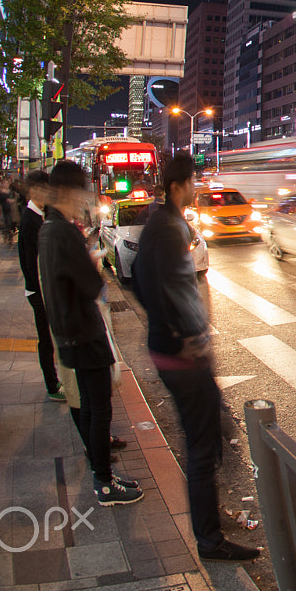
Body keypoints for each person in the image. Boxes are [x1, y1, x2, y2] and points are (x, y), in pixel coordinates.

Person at [133, 154, 261, 561]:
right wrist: (186, 336)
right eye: (191, 181)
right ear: (176, 186)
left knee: (208, 440)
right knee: (203, 446)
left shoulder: (164, 224)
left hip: (175, 350)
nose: (196, 187)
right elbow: (170, 289)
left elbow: (140, 279)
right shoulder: (169, 229)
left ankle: (211, 517)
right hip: (182, 357)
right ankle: (209, 539)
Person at [37, 160, 142, 507]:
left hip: (70, 334)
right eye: (82, 189)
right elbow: (91, 284)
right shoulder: (63, 232)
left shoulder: (50, 228)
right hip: (83, 333)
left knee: (89, 406)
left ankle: (102, 475)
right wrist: (94, 263)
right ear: (68, 191)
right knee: (99, 410)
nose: (85, 197)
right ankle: (104, 482)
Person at [18, 170, 64, 402]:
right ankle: (52, 385)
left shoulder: (38, 216)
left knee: (48, 338)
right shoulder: (30, 220)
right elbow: (31, 262)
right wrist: (43, 294)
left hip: (40, 290)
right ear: (35, 190)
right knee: (46, 340)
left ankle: (54, 380)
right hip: (39, 292)